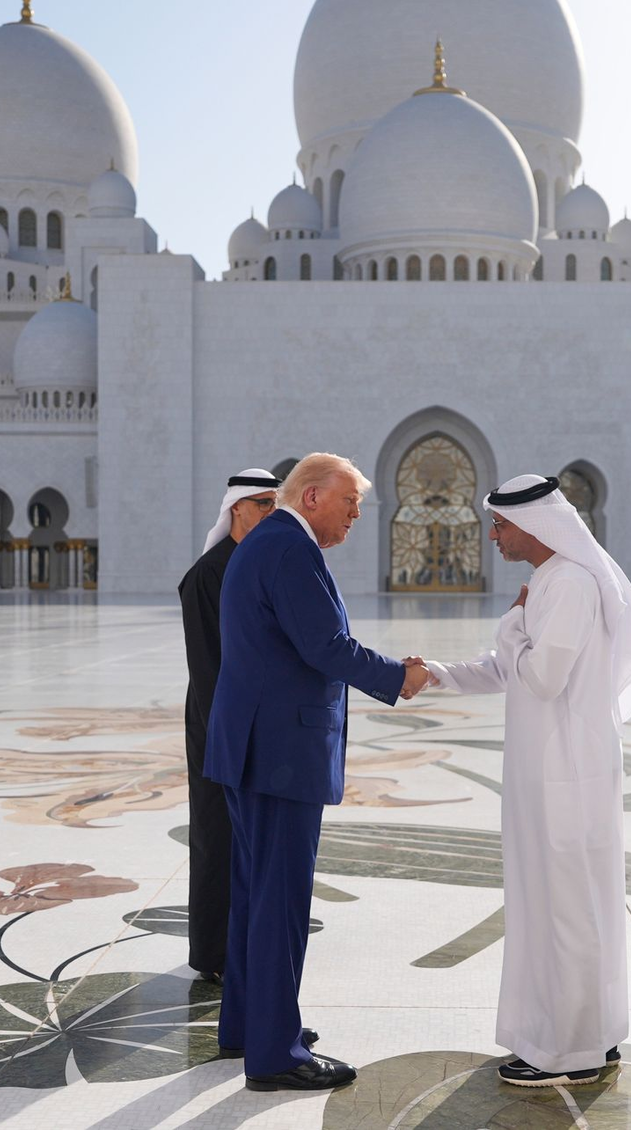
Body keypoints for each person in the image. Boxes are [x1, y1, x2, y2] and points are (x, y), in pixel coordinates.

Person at [205, 453, 431, 1092]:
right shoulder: (289, 550)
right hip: (277, 752)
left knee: (256, 894)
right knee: (278, 901)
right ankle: (274, 1055)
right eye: (350, 503)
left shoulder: (273, 542)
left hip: (255, 745)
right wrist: (399, 677)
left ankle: (250, 1024)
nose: (358, 515)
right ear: (309, 498)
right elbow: (324, 646)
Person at [423, 474, 631, 1088]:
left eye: (499, 525)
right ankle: (585, 1036)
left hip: (565, 772)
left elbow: (543, 675)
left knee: (567, 906)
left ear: (535, 526)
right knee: (561, 902)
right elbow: (507, 669)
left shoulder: (571, 585)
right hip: (551, 768)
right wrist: (436, 674)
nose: (494, 536)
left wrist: (511, 626)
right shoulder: (552, 583)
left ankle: (569, 1051)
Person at [177, 467, 278, 983]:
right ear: (237, 508)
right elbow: (210, 664)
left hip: (249, 719)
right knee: (217, 831)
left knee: (249, 836)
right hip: (219, 721)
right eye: (262, 504)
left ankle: (242, 941)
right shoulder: (208, 573)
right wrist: (237, 728)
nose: (270, 513)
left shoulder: (254, 565)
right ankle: (214, 953)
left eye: (274, 504)